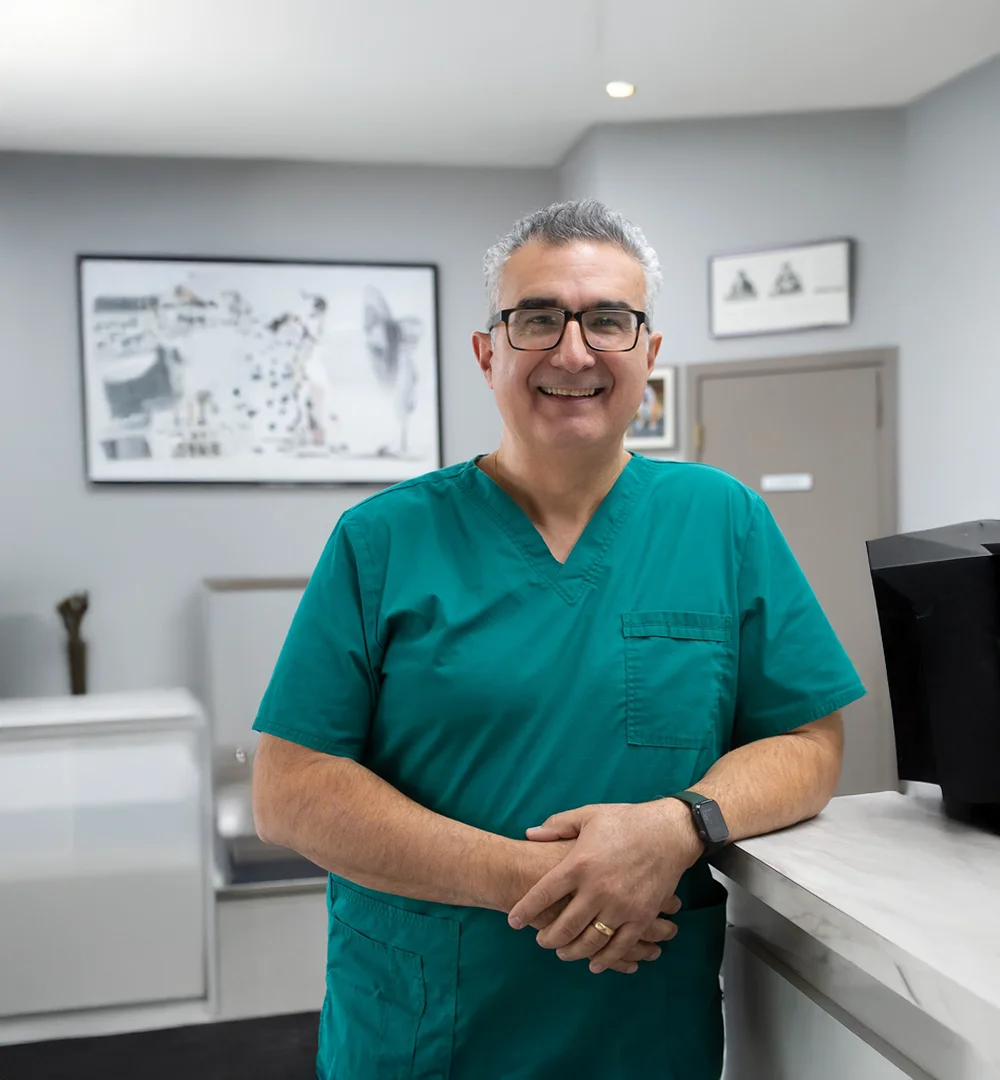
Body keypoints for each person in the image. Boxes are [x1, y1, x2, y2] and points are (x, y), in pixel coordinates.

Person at [251, 198, 865, 1080]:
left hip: (641, 1030)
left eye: (608, 321)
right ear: (486, 352)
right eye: (538, 317)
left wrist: (676, 827)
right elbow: (291, 789)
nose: (573, 352)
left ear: (648, 354)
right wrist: (543, 887)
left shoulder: (722, 521)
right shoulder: (382, 540)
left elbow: (808, 740)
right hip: (427, 1032)